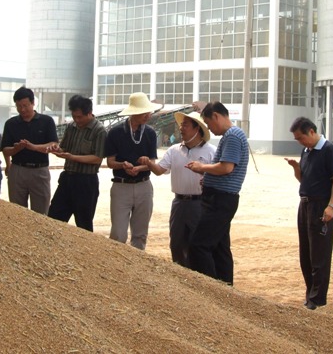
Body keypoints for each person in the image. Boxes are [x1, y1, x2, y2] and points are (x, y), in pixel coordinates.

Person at [138, 111, 216, 267]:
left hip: (200, 203)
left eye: (185, 125)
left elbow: (218, 174)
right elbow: (160, 170)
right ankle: (180, 273)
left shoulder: (211, 151)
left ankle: (200, 274)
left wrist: (205, 175)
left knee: (198, 244)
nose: (181, 128)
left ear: (197, 129)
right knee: (177, 242)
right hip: (179, 203)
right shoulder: (174, 150)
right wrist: (149, 163)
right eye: (181, 125)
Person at [186, 101, 249, 285]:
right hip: (221, 197)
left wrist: (202, 167)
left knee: (199, 245)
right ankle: (225, 287)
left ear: (216, 116)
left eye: (208, 123)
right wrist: (208, 176)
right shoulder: (232, 135)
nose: (210, 129)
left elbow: (226, 167)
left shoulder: (232, 135)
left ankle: (211, 287)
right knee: (220, 248)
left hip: (220, 199)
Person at [285, 117, 333, 310]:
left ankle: (318, 299)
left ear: (311, 131)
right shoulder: (306, 151)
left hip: (321, 206)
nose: (300, 142)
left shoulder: (329, 150)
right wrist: (296, 168)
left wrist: (331, 205)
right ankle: (310, 294)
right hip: (305, 204)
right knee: (306, 254)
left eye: (301, 138)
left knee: (319, 254)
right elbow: (304, 179)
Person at [105, 92, 162, 250]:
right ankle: (117, 261)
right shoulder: (115, 132)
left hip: (144, 185)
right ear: (134, 112)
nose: (148, 116)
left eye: (149, 112)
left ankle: (137, 263)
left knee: (140, 234)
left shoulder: (150, 133)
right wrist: (123, 165)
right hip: (121, 186)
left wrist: (139, 168)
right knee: (118, 234)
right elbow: (110, 162)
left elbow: (152, 163)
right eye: (144, 112)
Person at [47, 95, 107, 232]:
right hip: (67, 179)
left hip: (86, 182)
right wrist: (56, 150)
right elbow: (64, 149)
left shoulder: (99, 130)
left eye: (80, 117)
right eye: (74, 116)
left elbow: (97, 158)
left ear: (89, 113)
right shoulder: (71, 127)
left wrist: (72, 157)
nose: (77, 120)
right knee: (53, 220)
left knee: (84, 225)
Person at [1, 86, 58, 215]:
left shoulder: (46, 121)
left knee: (41, 212)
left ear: (33, 103)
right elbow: (5, 150)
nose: (22, 109)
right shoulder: (11, 124)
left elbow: (53, 144)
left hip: (40, 171)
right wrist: (16, 149)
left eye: (25, 106)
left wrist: (33, 147)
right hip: (18, 170)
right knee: (17, 211)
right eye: (18, 106)